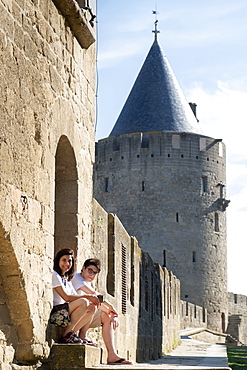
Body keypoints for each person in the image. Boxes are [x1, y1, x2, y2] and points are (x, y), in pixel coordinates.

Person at [72, 258, 132, 364]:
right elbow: (96, 296)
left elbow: (100, 304)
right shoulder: (77, 278)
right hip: (71, 316)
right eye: (90, 270)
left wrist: (112, 314)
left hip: (81, 317)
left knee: (105, 316)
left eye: (95, 273)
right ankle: (74, 335)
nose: (92, 275)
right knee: (91, 306)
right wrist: (111, 306)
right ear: (83, 268)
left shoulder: (86, 282)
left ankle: (112, 355)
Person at [52, 248, 98, 344]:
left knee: (92, 307)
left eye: (69, 261)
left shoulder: (66, 279)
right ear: (58, 261)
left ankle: (72, 333)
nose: (67, 264)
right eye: (64, 260)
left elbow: (75, 296)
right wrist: (88, 297)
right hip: (57, 313)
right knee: (84, 301)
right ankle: (66, 335)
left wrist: (90, 300)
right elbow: (67, 297)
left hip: (66, 310)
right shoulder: (55, 275)